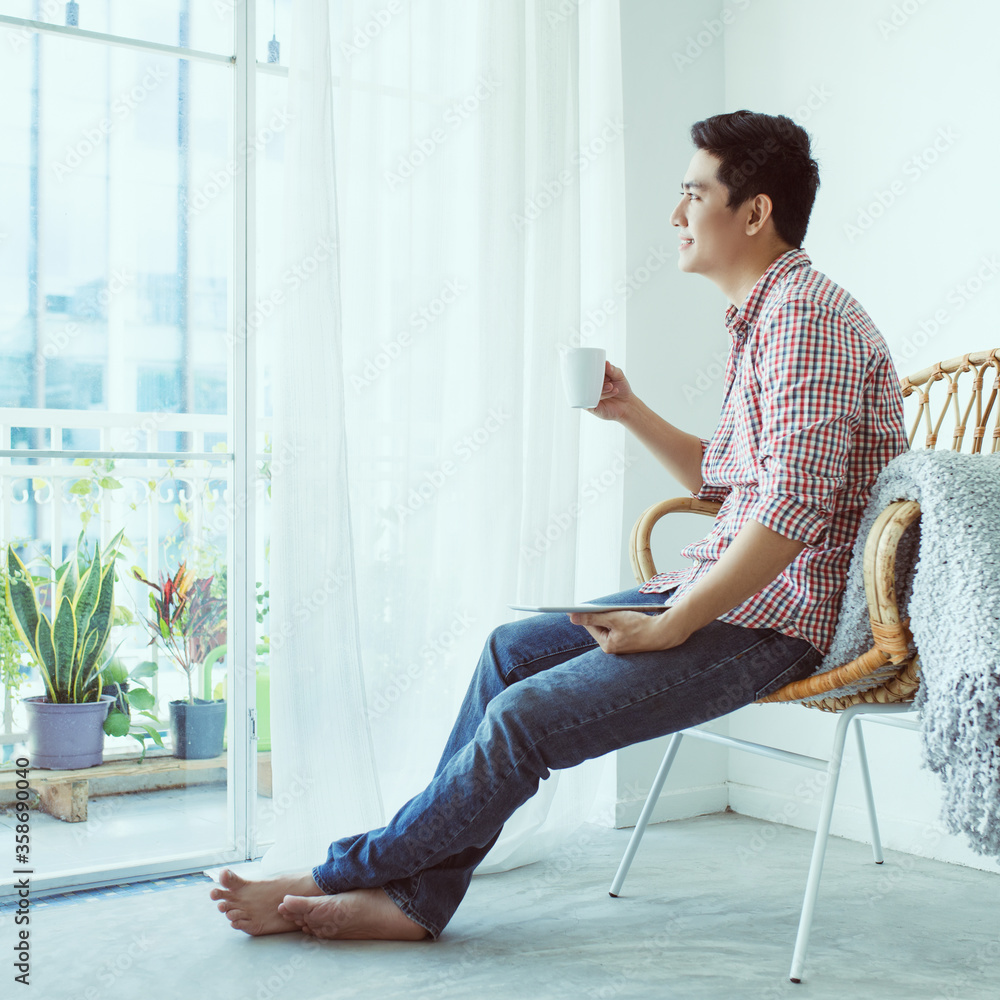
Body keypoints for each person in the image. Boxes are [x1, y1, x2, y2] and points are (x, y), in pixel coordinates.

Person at [212, 110, 908, 941]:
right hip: (730, 591)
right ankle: (414, 903)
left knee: (524, 719)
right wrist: (627, 410)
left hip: (780, 620)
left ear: (754, 212)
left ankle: (345, 872)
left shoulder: (808, 319)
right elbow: (730, 485)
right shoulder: (767, 317)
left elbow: (790, 516)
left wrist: (673, 625)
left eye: (693, 194)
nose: (677, 215)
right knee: (509, 654)